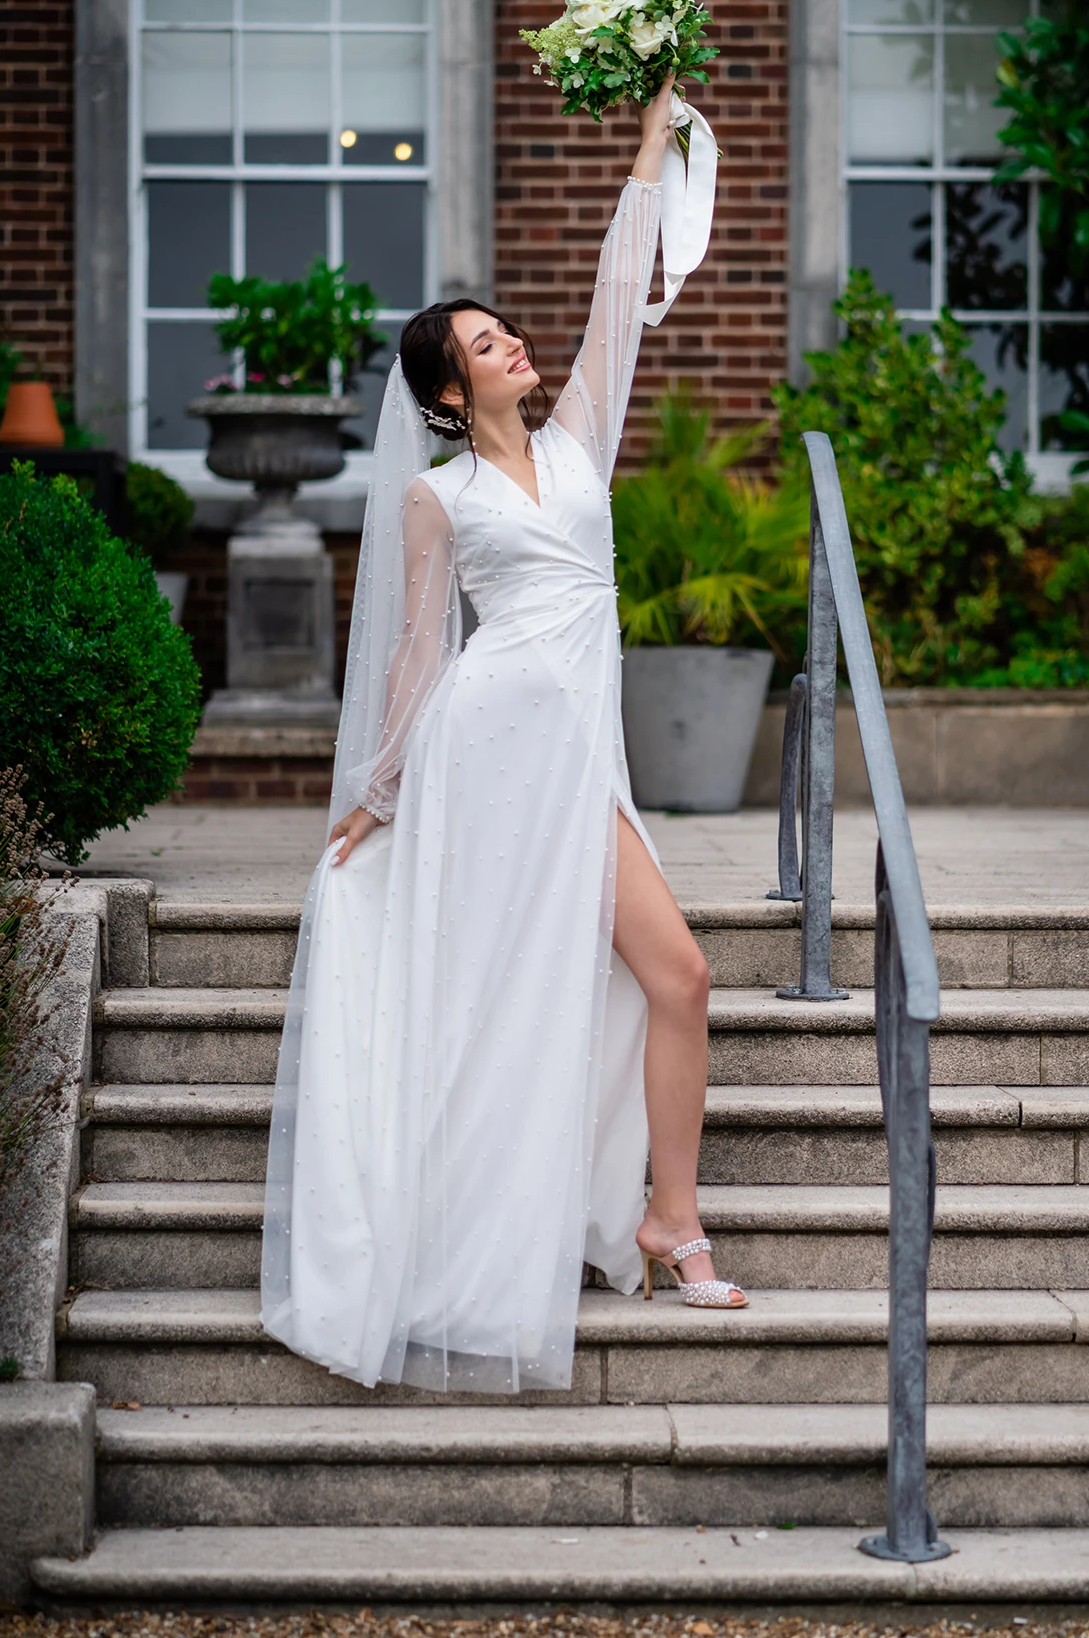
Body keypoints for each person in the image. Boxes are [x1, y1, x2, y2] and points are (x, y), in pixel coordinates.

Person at [260, 75, 746, 1398]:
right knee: (506, 1009)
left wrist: (650, 141)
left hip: (579, 758)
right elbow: (422, 654)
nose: (510, 346)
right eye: (481, 344)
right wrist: (377, 790)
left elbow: (612, 292)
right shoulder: (436, 498)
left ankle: (665, 1215)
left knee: (681, 977)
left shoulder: (582, 433)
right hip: (490, 757)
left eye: (503, 331)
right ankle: (626, 1225)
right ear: (440, 386)